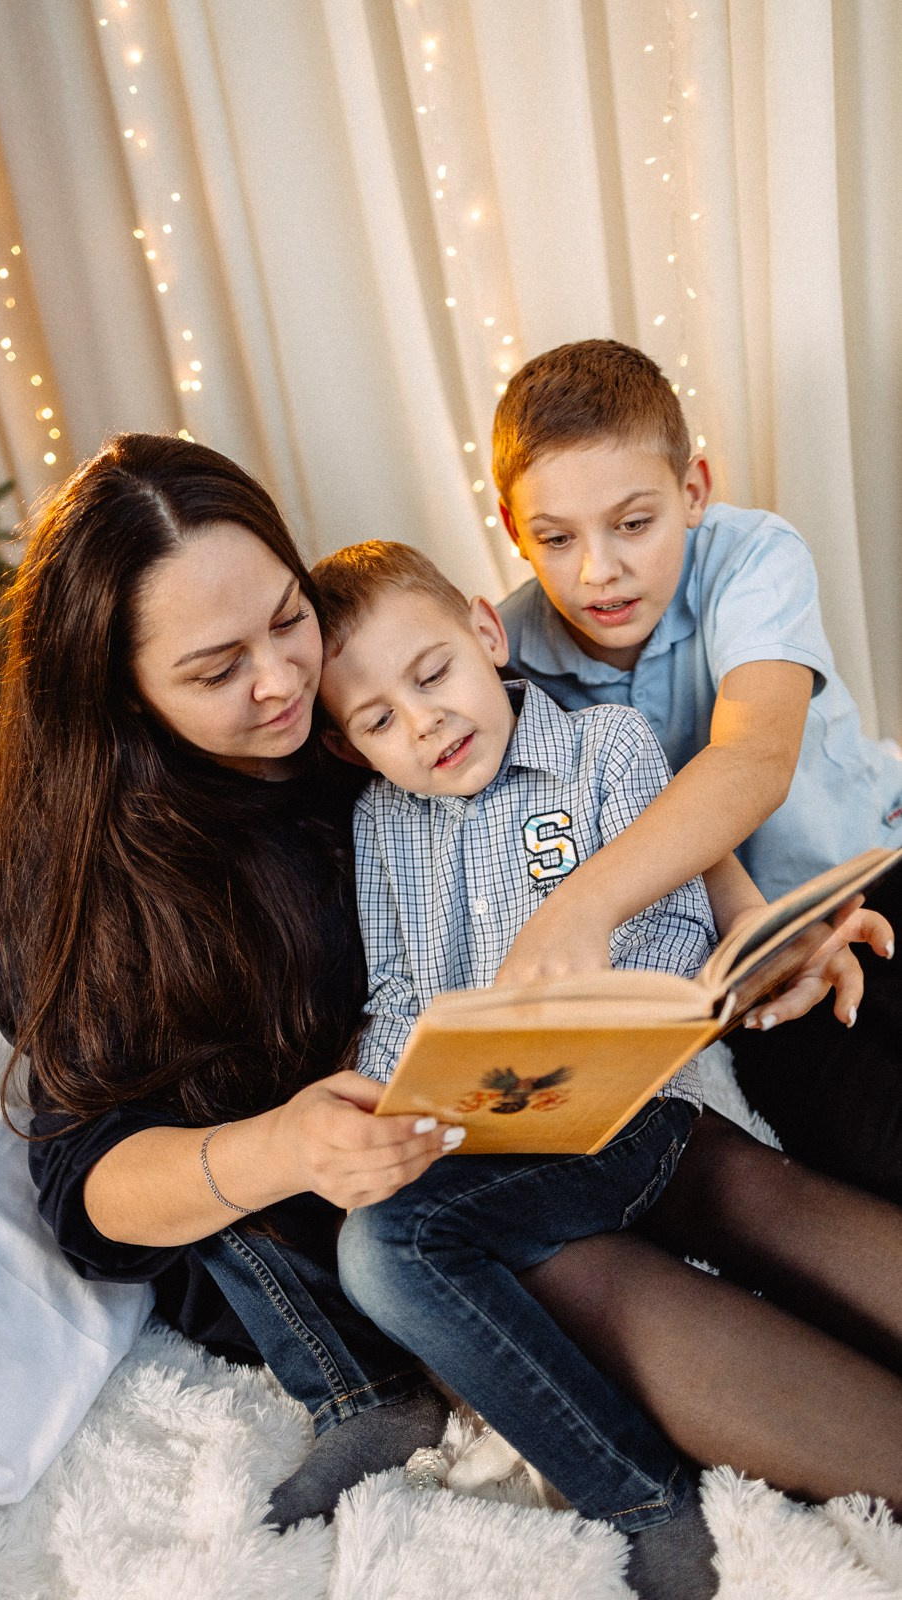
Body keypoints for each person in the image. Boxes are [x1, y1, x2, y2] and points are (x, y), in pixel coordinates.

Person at [309, 538, 902, 1599]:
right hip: (494, 1143)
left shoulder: (605, 749)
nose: (424, 722)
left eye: (432, 674)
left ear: (484, 633)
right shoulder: (381, 825)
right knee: (388, 1238)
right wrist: (408, 1086)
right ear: (348, 747)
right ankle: (637, 1495)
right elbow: (395, 990)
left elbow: (674, 924)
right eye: (377, 720)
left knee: (401, 1243)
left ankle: (639, 1495)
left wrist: (605, 1009)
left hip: (637, 1108)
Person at [0, 434, 460, 1530]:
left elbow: (566, 765)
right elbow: (87, 1187)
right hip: (275, 1207)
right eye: (215, 669)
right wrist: (285, 1145)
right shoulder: (83, 873)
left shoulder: (361, 716)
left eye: (288, 618)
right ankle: (369, 1393)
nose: (281, 682)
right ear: (123, 693)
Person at [491, 339, 902, 1200]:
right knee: (868, 1142)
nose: (599, 570)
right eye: (557, 538)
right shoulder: (505, 659)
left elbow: (752, 757)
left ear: (692, 491)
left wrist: (581, 906)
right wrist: (748, 931)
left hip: (871, 865)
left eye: (632, 524)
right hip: (746, 952)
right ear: (512, 529)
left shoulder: (753, 556)